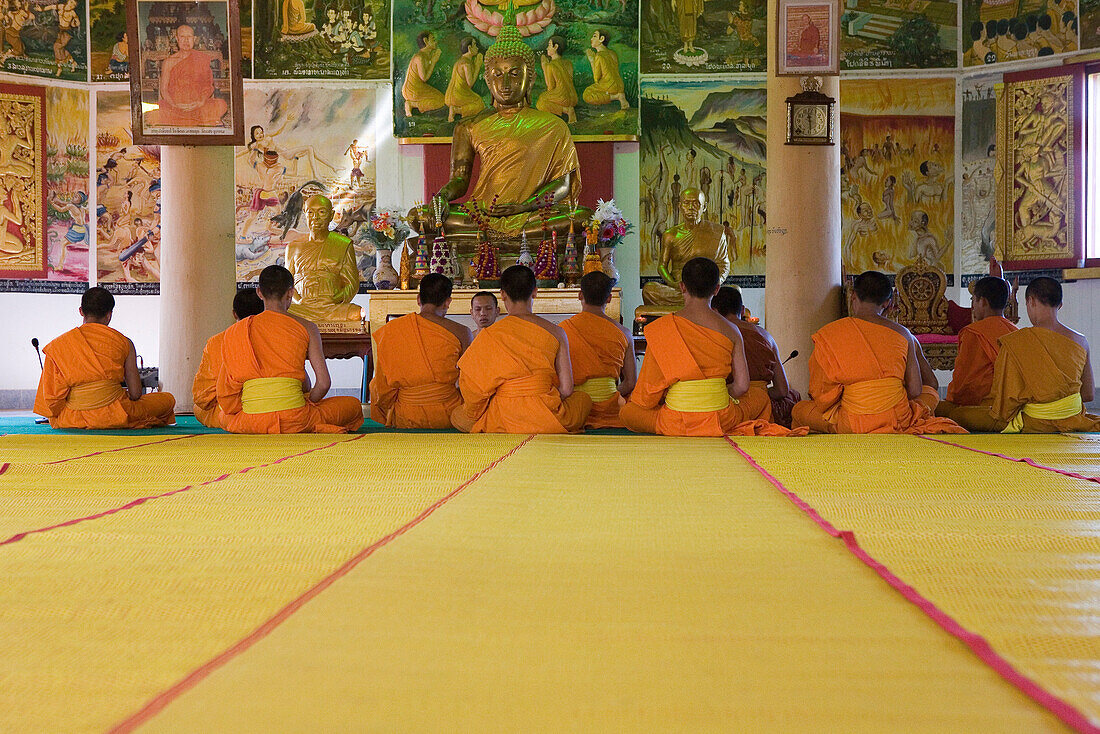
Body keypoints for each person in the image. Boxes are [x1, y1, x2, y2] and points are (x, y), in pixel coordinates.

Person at [416, 13, 590, 244]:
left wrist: (522, 206)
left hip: (532, 214)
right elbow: (459, 180)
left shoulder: (553, 126)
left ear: (530, 79)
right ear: (488, 81)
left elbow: (564, 185)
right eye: (498, 75)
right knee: (419, 217)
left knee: (582, 218)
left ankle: (505, 232)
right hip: (483, 213)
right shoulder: (469, 126)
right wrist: (442, 198)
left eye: (515, 74)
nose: (505, 84)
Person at [621, 258, 800, 437]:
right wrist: (720, 394)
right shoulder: (731, 330)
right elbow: (742, 386)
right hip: (722, 418)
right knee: (760, 397)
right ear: (716, 289)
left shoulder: (663, 328)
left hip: (675, 421)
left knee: (628, 412)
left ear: (682, 287)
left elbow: (646, 395)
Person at [791, 271, 965, 434]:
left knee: (799, 409)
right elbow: (915, 390)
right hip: (898, 419)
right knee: (930, 394)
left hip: (851, 423)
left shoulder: (830, 333)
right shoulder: (902, 333)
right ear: (887, 303)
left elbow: (821, 394)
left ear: (853, 297)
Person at [217, 265, 363, 434]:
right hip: (296, 418)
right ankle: (308, 423)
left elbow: (226, 394)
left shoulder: (237, 331)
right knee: (352, 406)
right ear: (291, 293)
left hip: (252, 421)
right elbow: (323, 383)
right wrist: (306, 402)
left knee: (223, 416)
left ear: (259, 293)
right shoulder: (307, 327)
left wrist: (255, 406)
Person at [451, 265, 591, 433]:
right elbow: (567, 389)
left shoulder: (490, 334)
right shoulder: (557, 332)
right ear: (535, 292)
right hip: (547, 413)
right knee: (583, 400)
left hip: (504, 415)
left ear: (502, 295)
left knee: (457, 416)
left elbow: (473, 391)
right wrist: (540, 402)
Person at [33, 287, 176, 429]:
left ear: (81, 311)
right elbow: (136, 393)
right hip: (116, 414)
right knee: (167, 400)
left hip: (72, 418)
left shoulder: (59, 345)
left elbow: (52, 400)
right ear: (109, 315)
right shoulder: (123, 342)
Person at [987, 277, 1100, 432]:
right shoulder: (1081, 341)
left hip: (1034, 421)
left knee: (961, 414)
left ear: (1031, 301)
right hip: (1074, 419)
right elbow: (1088, 394)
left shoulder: (1017, 341)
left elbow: (1006, 405)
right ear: (1060, 305)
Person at [370, 273, 472, 429]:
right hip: (448, 415)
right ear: (447, 302)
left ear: (418, 299)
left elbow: (382, 385)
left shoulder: (393, 330)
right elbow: (472, 381)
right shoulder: (462, 332)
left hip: (407, 416)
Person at [935, 276, 1017, 431]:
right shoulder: (1016, 331)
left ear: (983, 302)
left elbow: (966, 383)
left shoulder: (974, 333)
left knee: (939, 409)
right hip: (1015, 407)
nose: (973, 306)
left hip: (988, 409)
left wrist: (951, 399)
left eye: (974, 300)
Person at [711, 285, 801, 427]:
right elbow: (782, 390)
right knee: (794, 397)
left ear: (714, 311)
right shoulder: (765, 335)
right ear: (742, 309)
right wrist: (761, 392)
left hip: (728, 404)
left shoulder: (714, 336)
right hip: (762, 407)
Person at [561, 271, 636, 428]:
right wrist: (607, 393)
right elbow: (630, 383)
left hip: (575, 409)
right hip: (611, 410)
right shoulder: (624, 333)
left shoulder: (563, 330)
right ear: (609, 298)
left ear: (580, 295)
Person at [643, 188, 729, 307]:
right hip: (680, 289)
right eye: (686, 203)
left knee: (733, 292)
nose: (690, 208)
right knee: (649, 290)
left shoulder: (716, 232)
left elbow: (723, 264)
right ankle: (699, 304)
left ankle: (699, 302)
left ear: (704, 207)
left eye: (696, 203)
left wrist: (712, 286)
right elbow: (662, 266)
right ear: (679, 206)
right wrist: (674, 284)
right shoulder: (670, 235)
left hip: (707, 290)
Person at [192, 288, 264, 429]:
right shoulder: (273, 338)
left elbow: (202, 398)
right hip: (268, 407)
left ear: (234, 313)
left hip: (227, 412)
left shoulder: (216, 342)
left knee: (197, 408)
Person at [285, 194, 363, 324]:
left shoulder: (343, 244)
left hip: (331, 307)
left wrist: (334, 299)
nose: (315, 217)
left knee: (355, 313)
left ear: (331, 215)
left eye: (321, 212)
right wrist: (300, 301)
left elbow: (352, 284)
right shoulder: (293, 247)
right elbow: (288, 284)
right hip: (303, 308)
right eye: (311, 212)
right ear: (305, 214)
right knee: (282, 313)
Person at [147, 25, 227, 127]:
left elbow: (208, 86)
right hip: (175, 107)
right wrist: (174, 105)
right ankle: (200, 120)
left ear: (194, 39)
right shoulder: (169, 62)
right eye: (182, 37)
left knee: (221, 104)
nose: (186, 40)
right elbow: (164, 90)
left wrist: (200, 102)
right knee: (153, 114)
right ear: (177, 39)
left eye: (189, 37)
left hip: (197, 106)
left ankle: (188, 120)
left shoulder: (201, 58)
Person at [582, 29, 629, 109]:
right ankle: (618, 94)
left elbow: (596, 79)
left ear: (602, 39)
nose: (591, 39)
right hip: (620, 86)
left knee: (587, 95)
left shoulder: (599, 56)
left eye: (594, 36)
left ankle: (616, 97)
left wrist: (592, 60)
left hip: (608, 86)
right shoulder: (612, 53)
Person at [402, 31, 445, 117]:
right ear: (425, 41)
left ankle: (414, 104)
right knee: (440, 101)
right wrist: (433, 61)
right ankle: (412, 104)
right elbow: (424, 78)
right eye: (433, 39)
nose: (435, 42)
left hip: (419, 87)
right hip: (412, 90)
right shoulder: (419, 58)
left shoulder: (425, 55)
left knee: (442, 98)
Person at [536, 35, 578, 124]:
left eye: (549, 45)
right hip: (573, 97)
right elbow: (569, 80)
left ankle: (566, 110)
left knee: (541, 102)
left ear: (555, 47)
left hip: (562, 97)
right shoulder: (568, 63)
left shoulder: (550, 66)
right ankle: (568, 109)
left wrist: (544, 67)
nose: (547, 48)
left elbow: (550, 87)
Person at [445, 37, 484, 122]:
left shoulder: (459, 61)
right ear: (469, 48)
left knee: (478, 100)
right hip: (459, 95)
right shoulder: (466, 64)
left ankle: (455, 109)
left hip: (450, 95)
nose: (477, 48)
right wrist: (478, 65)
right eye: (475, 45)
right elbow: (470, 83)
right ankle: (457, 110)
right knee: (479, 103)